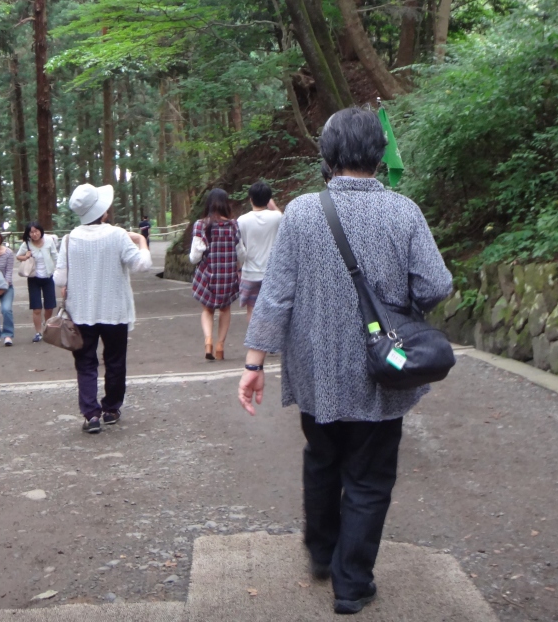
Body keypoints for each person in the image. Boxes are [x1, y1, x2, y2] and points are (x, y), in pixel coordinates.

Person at [238, 108, 452, 616]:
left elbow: (276, 295)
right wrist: (400, 303)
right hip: (384, 369)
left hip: (316, 371)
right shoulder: (404, 212)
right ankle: (351, 584)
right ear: (379, 154)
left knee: (322, 457)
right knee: (369, 477)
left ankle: (321, 552)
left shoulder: (303, 213)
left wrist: (253, 364)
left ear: (328, 155)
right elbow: (436, 284)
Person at [54, 184, 152, 434]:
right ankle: (111, 408)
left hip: (81, 311)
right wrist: (141, 241)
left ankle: (91, 414)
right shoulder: (118, 235)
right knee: (115, 361)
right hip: (114, 310)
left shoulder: (69, 239)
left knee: (85, 362)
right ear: (102, 211)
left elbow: (59, 279)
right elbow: (141, 265)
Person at [189, 188, 240, 360]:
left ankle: (208, 341)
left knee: (207, 310)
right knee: (225, 309)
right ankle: (220, 347)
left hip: (208, 275)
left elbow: (194, 257)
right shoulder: (233, 225)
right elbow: (241, 253)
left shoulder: (201, 225)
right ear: (226, 204)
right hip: (228, 276)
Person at [236, 181, 282, 315]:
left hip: (250, 272)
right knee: (273, 310)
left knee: (252, 309)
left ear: (250, 199)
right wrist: (274, 206)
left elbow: (239, 247)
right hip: (272, 272)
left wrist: (238, 267)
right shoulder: (277, 217)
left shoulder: (241, 220)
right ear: (268, 200)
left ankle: (255, 330)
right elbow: (287, 224)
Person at [17, 222, 58, 343]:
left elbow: (55, 256)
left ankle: (46, 326)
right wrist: (25, 256)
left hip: (48, 277)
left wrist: (58, 270)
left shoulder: (49, 241)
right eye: (31, 232)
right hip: (33, 278)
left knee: (49, 306)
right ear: (28, 234)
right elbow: (18, 256)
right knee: (36, 308)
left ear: (41, 231)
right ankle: (38, 332)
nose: (34, 234)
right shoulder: (27, 244)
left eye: (36, 231)